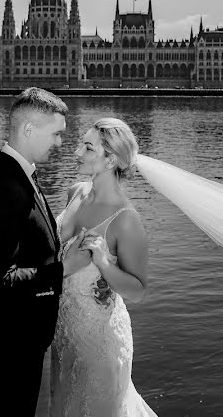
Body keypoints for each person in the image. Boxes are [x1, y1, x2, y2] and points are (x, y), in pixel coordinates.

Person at [0, 87, 92, 417]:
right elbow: (3, 279)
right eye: (55, 134)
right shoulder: (3, 187)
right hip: (13, 337)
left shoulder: (21, 173)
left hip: (23, 333)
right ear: (28, 129)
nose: (60, 143)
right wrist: (65, 268)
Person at [50, 117, 157, 416]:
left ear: (110, 159)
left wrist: (103, 265)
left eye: (87, 147)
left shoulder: (126, 220)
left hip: (100, 342)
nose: (76, 153)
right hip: (64, 336)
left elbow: (138, 290)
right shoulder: (76, 192)